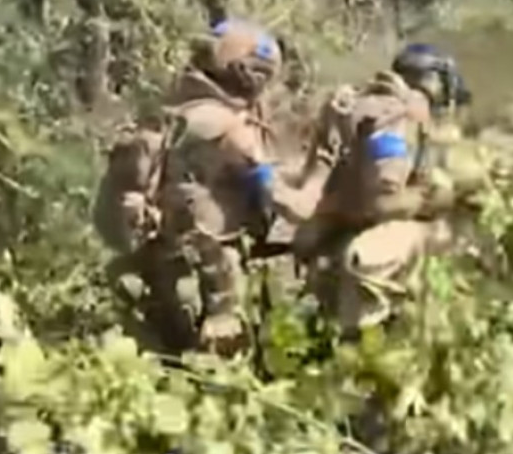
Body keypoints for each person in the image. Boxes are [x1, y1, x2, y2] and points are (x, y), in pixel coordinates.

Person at [93, 19, 338, 356]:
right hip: (214, 282)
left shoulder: (180, 114)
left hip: (167, 265)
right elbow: (291, 206)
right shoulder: (228, 129)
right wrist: (326, 165)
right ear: (248, 74)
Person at [293, 42, 472, 336]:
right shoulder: (400, 114)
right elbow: (383, 202)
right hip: (364, 249)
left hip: (334, 232)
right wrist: (434, 199)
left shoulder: (362, 103)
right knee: (451, 234)